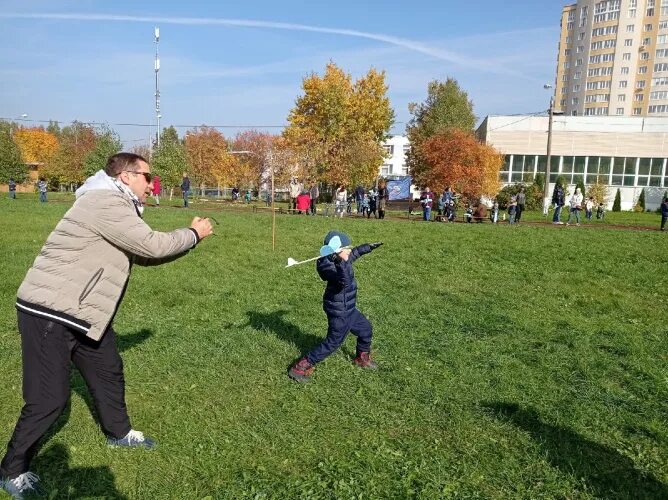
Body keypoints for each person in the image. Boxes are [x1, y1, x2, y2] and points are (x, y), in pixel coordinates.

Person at [0, 153, 214, 498]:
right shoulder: (105, 201)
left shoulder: (118, 205)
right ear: (126, 176)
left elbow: (143, 255)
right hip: (49, 312)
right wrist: (192, 232)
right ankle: (12, 469)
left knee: (107, 370)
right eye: (147, 176)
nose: (151, 183)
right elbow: (151, 245)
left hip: (84, 314)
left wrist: (191, 241)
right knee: (48, 398)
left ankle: (118, 433)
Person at [288, 232, 383, 382]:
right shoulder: (328, 266)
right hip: (340, 312)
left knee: (365, 329)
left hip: (348, 308)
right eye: (347, 248)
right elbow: (344, 281)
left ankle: (362, 358)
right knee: (332, 343)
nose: (350, 250)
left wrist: (366, 248)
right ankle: (300, 367)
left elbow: (353, 255)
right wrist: (341, 262)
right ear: (337, 250)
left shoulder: (339, 258)